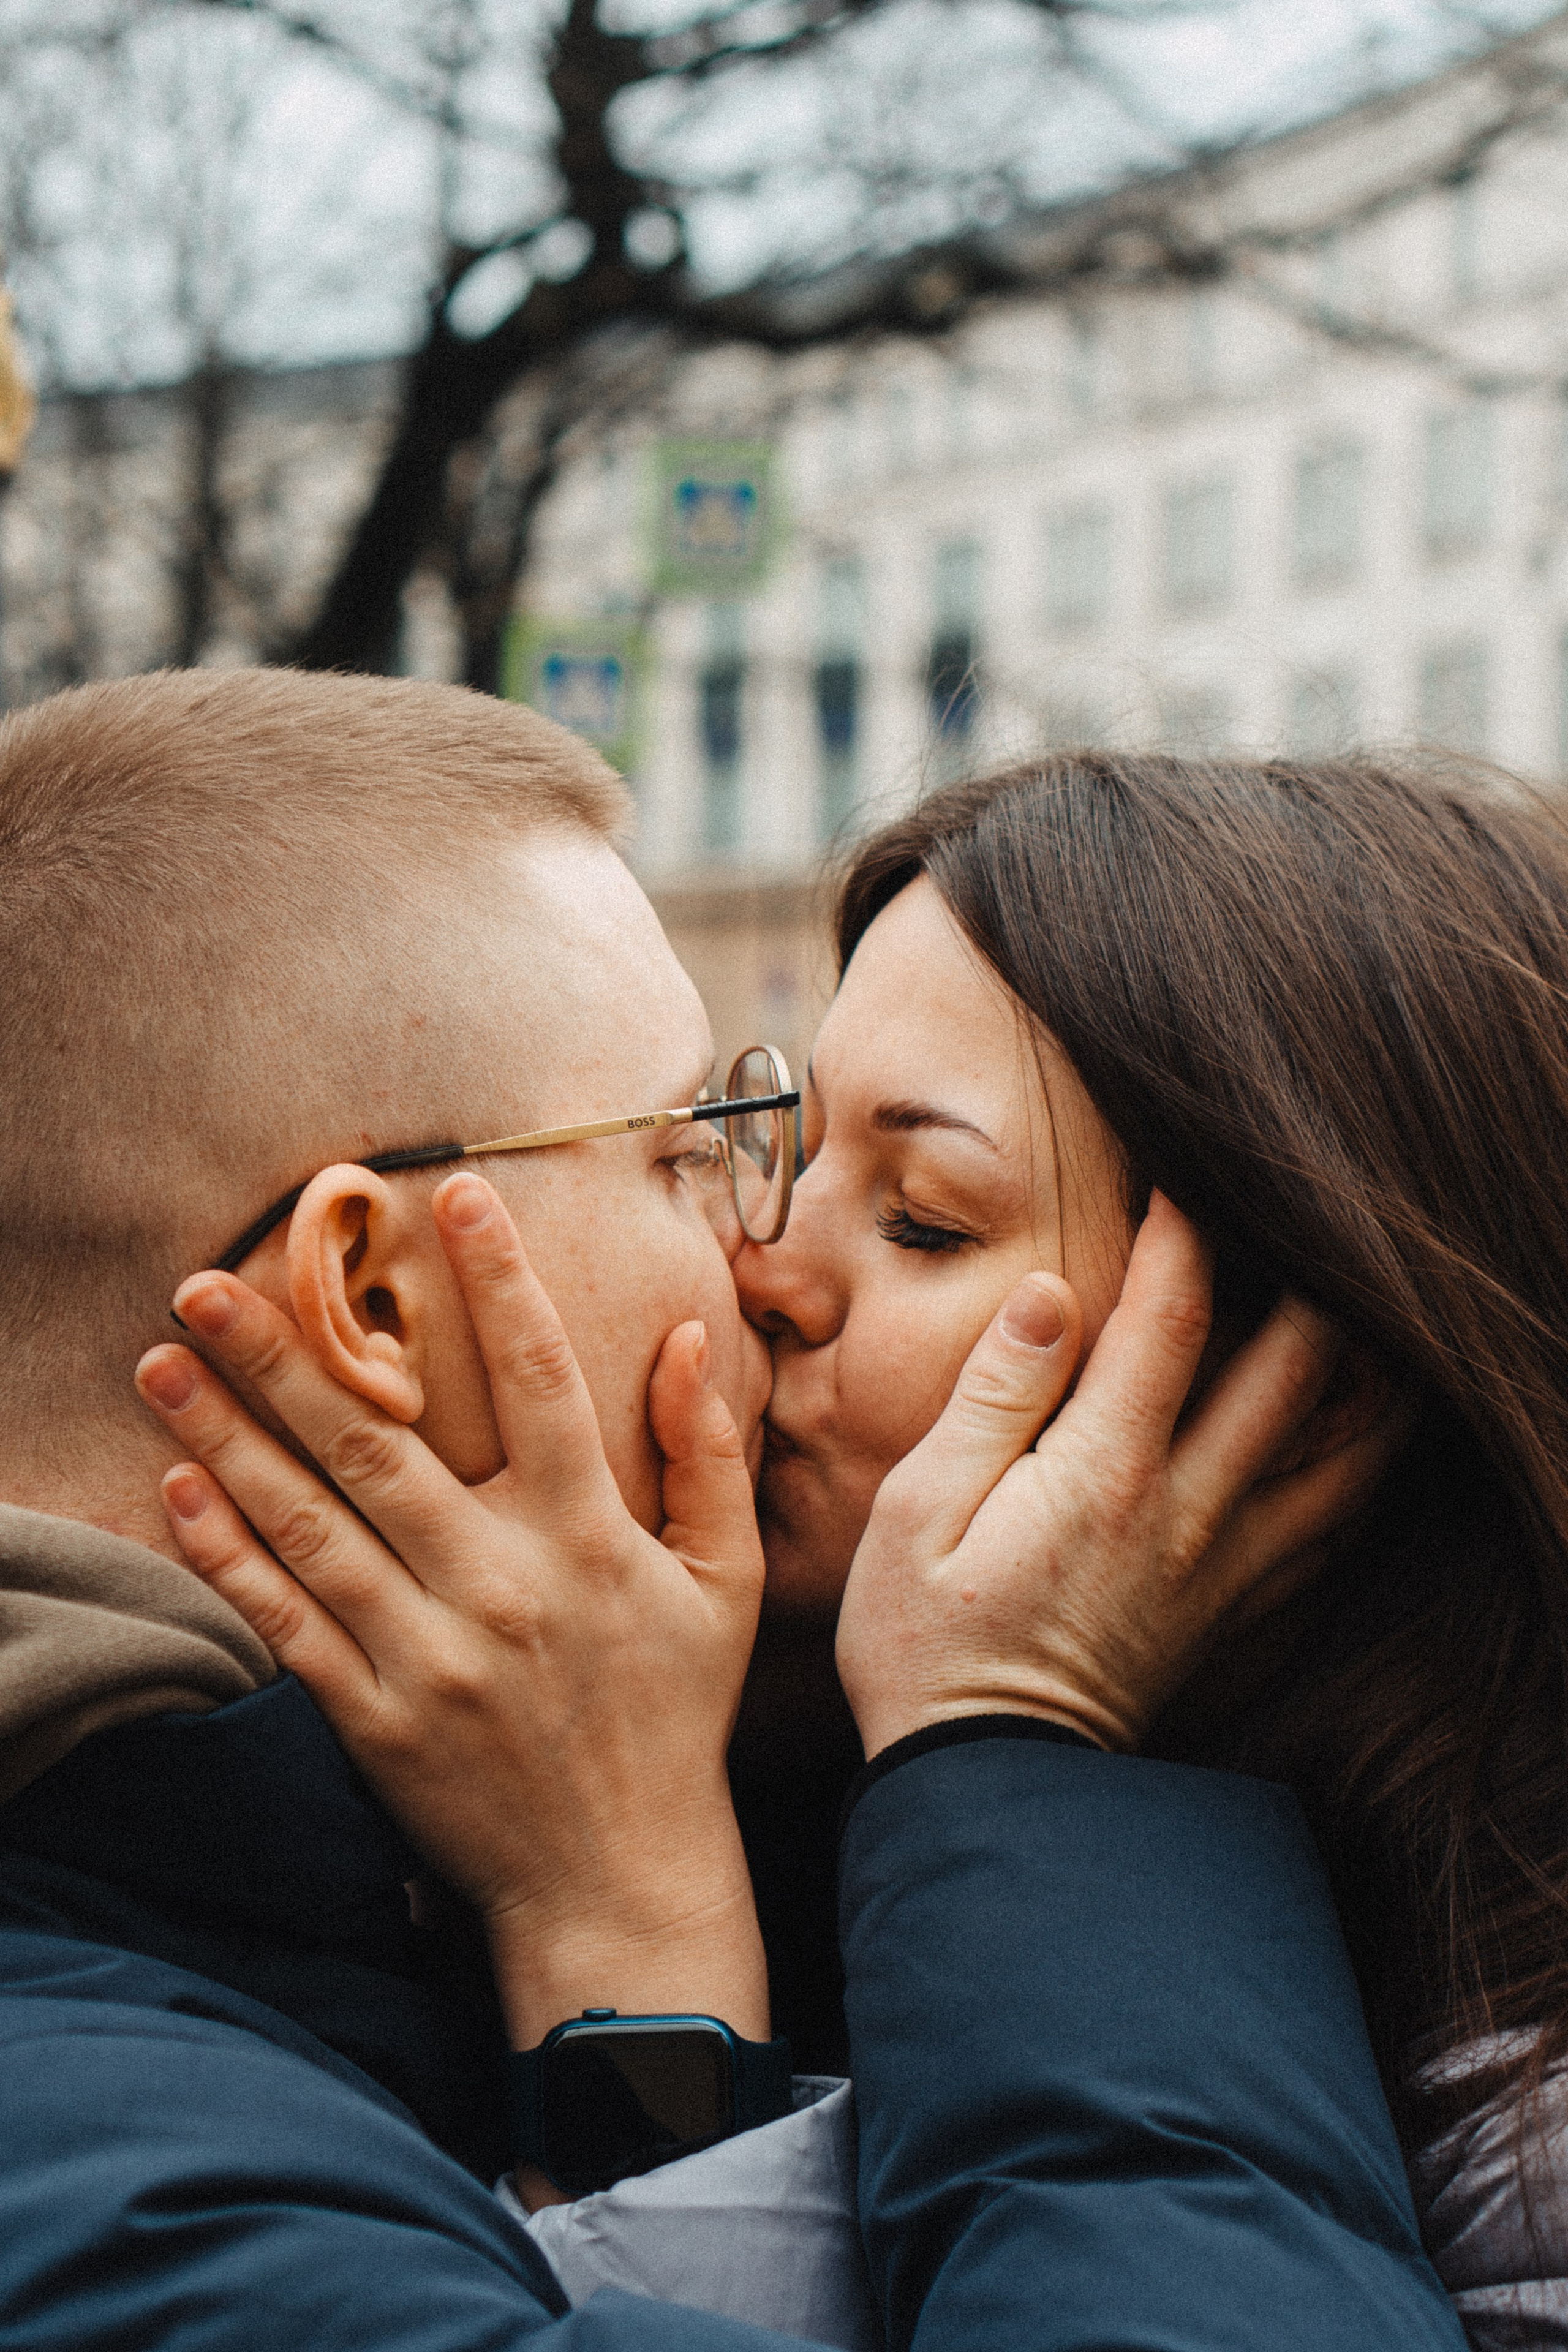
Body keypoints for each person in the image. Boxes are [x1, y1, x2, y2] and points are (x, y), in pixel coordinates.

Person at [0, 671, 1460, 2351]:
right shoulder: (145, 2200)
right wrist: (1015, 1746)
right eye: (689, 1148)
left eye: (917, 1215)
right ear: (376, 1299)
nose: (759, 1253)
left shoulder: (364, 1917)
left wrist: (629, 1933)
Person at [722, 748, 1568, 2349]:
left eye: (922, 1218)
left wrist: (1005, 1747)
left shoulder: (1528, 2125)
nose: (760, 1265)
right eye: (792, 1143)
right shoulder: (711, 1750)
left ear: (1301, 1393)